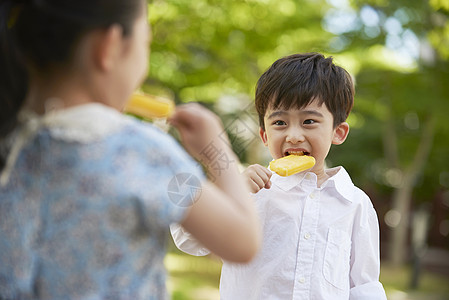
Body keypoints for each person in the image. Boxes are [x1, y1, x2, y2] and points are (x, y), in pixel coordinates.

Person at [0, 0, 260, 298]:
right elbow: (242, 240)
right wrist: (217, 150)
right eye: (146, 43)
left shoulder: (9, 146)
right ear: (109, 47)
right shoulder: (142, 154)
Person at [171, 53, 388, 299]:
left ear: (338, 132)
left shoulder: (355, 204)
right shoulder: (251, 191)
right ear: (264, 136)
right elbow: (187, 240)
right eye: (280, 123)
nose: (294, 135)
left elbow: (364, 286)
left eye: (308, 121)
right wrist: (228, 189)